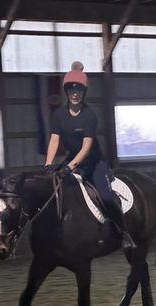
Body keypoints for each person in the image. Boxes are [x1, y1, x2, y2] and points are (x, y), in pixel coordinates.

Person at [44, 61, 136, 250]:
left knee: (107, 196)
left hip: (94, 163)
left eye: (78, 90)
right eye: (71, 90)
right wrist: (48, 164)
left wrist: (70, 167)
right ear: (66, 92)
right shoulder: (59, 115)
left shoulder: (89, 115)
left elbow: (87, 147)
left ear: (84, 92)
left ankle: (123, 233)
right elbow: (54, 140)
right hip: (72, 160)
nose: (75, 94)